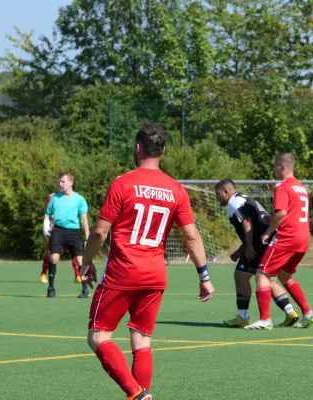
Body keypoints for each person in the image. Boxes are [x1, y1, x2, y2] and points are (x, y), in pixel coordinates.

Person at [80, 122, 215, 400]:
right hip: (155, 274)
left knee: (98, 337)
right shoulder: (176, 189)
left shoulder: (122, 183)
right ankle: (143, 395)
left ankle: (136, 393)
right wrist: (204, 277)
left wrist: (86, 260)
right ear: (163, 150)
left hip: (122, 272)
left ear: (137, 148)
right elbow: (191, 237)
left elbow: (100, 231)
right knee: (141, 340)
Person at [245, 153, 313, 330]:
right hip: (303, 237)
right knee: (285, 276)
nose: (273, 169)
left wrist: (268, 232)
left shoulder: (282, 187)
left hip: (287, 236)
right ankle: (308, 313)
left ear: (282, 167)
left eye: (275, 166)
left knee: (262, 274)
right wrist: (272, 219)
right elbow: (289, 214)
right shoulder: (301, 187)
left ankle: (265, 319)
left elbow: (282, 214)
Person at [214, 179, 298, 328]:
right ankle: (290, 312)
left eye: (218, 193)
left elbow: (247, 223)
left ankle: (242, 316)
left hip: (258, 244)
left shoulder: (234, 202)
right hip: (267, 241)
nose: (217, 197)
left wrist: (249, 247)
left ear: (226, 192)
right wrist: (240, 250)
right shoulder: (245, 198)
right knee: (268, 280)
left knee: (240, 275)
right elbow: (257, 222)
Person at [43, 172, 90, 298]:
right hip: (58, 231)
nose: (60, 184)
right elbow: (47, 213)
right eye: (59, 181)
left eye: (63, 181)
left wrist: (87, 237)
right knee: (54, 258)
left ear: (71, 183)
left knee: (80, 260)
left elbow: (84, 219)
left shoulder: (79, 199)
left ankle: (85, 290)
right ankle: (51, 288)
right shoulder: (55, 198)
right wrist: (46, 226)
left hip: (73, 232)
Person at [41, 192, 80, 284]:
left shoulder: (74, 196)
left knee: (74, 252)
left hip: (70, 229)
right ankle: (43, 273)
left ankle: (77, 275)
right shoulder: (52, 197)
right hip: (55, 229)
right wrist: (46, 226)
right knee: (51, 252)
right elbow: (48, 213)